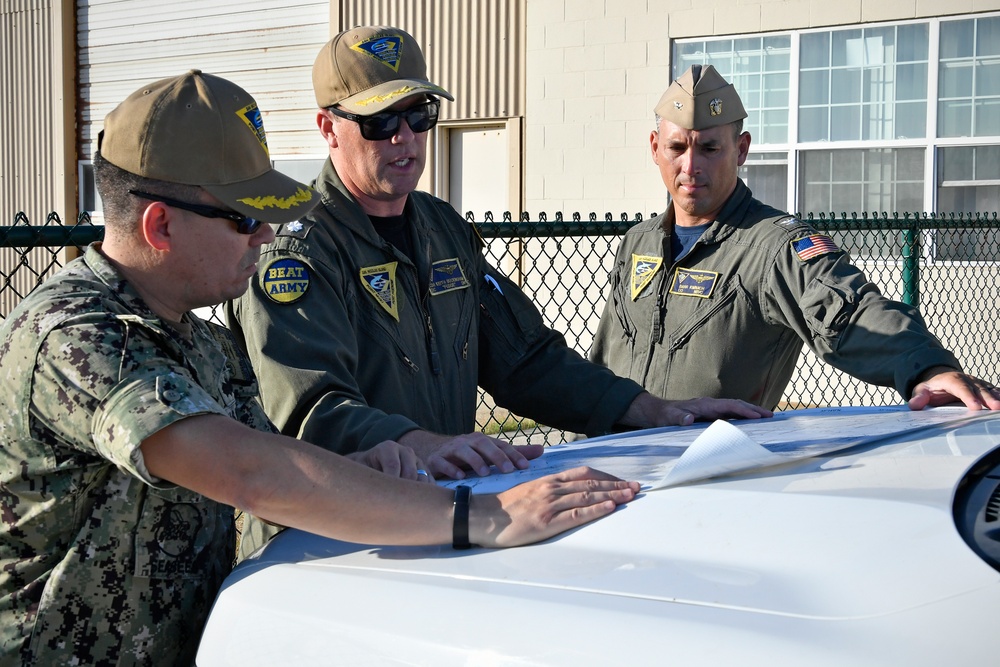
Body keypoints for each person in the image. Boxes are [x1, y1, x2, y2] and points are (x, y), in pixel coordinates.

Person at [0, 70, 644, 666]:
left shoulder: (196, 343)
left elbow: (275, 452)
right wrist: (484, 517)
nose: (265, 238)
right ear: (160, 225)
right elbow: (250, 472)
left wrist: (369, 463)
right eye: (246, 217)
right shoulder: (77, 337)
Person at [226, 25, 770, 488]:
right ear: (328, 129)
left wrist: (651, 410)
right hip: (329, 538)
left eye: (419, 115)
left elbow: (526, 361)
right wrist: (421, 446)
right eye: (380, 123)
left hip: (436, 509)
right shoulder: (295, 252)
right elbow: (311, 409)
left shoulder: (442, 230)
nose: (405, 140)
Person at [590, 64, 1000, 413]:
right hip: (618, 462)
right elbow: (606, 356)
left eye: (710, 148)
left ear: (742, 149)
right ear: (654, 147)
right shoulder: (638, 242)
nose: (690, 165)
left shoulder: (772, 248)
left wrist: (926, 368)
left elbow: (852, 311)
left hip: (706, 477)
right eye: (676, 147)